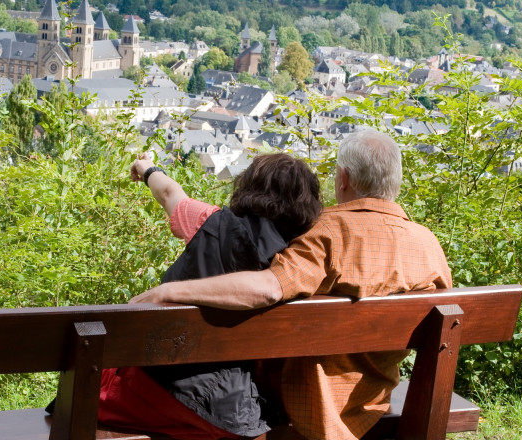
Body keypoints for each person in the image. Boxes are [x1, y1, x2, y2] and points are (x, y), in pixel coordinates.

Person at [129, 130, 453, 440]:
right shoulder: (429, 244)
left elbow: (270, 288)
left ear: (343, 179)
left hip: (314, 405)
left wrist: (170, 291)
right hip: (376, 395)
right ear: (395, 182)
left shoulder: (329, 233)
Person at [97, 152, 323, 439]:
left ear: (249, 187)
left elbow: (168, 193)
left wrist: (146, 169)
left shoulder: (210, 222)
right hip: (239, 408)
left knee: (95, 383)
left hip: (164, 393)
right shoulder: (298, 260)